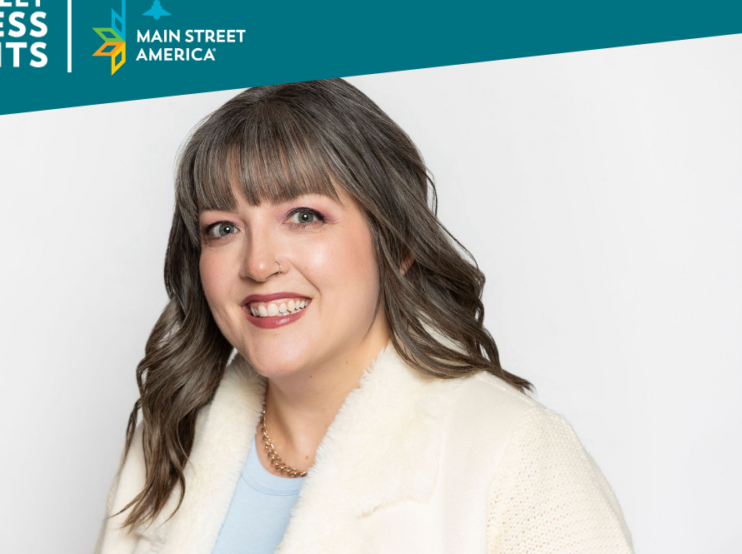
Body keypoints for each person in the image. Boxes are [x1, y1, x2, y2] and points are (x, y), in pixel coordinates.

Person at [94, 79, 634, 554]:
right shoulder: (170, 437)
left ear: (395, 243)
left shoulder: (513, 453)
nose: (258, 263)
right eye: (223, 228)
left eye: (304, 217)